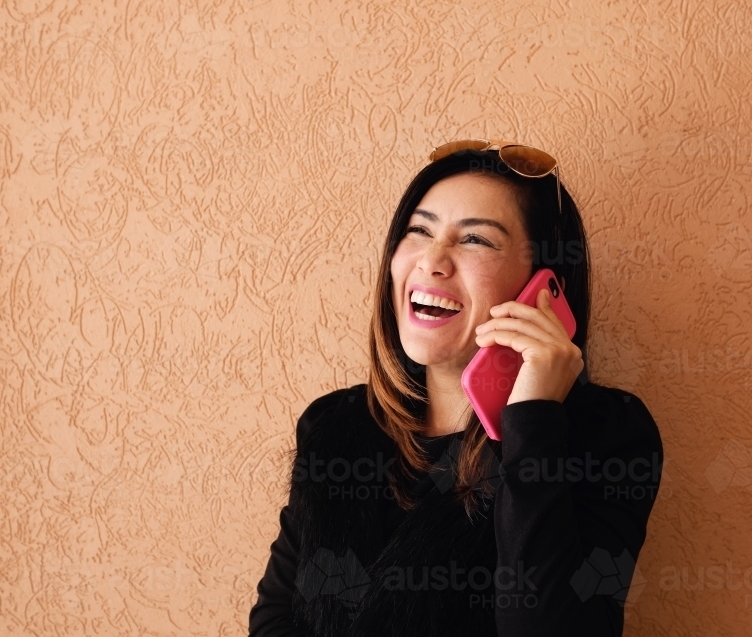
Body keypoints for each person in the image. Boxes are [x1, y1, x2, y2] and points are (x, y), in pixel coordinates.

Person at [249, 140, 664, 636]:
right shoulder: (335, 425)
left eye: (476, 241)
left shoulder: (609, 435)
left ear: (544, 286)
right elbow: (275, 620)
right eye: (418, 231)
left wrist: (532, 420)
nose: (433, 260)